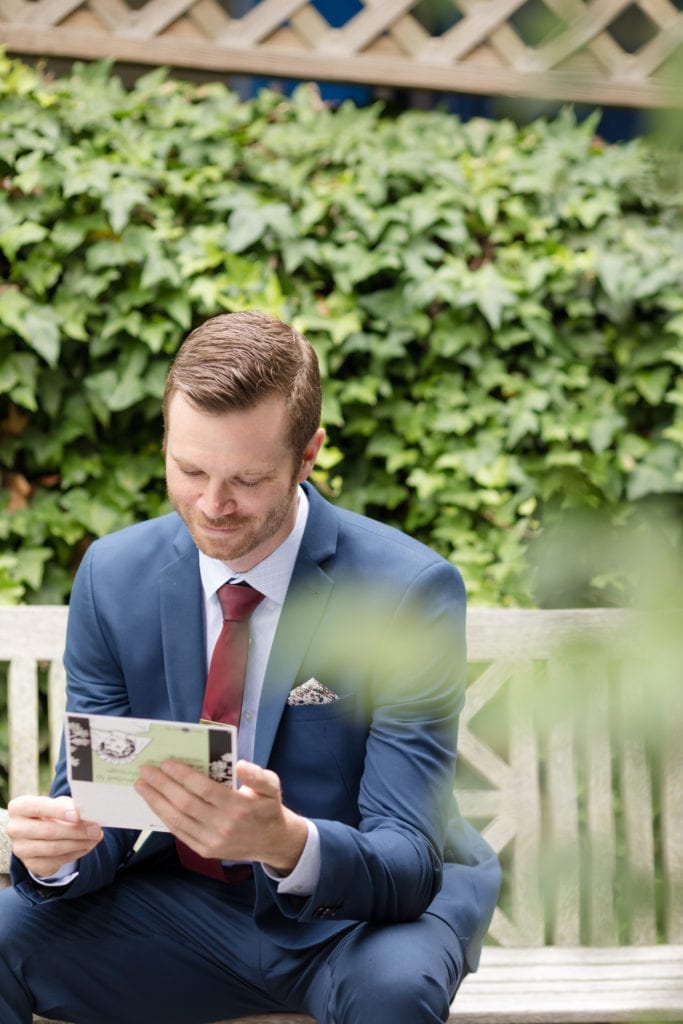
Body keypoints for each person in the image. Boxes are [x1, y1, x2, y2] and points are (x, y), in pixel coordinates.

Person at [0, 310, 500, 1024]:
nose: (211, 506)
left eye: (248, 478)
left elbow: (407, 858)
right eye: (190, 469)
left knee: (392, 995)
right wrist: (58, 852)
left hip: (363, 920)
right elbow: (102, 810)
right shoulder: (113, 577)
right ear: (166, 441)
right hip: (187, 906)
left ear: (308, 455)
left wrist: (286, 841)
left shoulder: (407, 592)